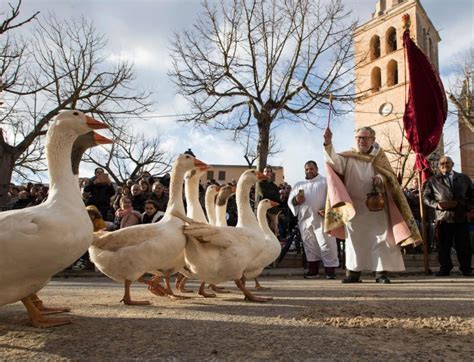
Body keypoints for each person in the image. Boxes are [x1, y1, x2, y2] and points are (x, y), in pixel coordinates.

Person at [323, 126, 420, 284]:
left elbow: (390, 178)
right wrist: (328, 143)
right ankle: (353, 273)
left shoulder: (379, 157)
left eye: (365, 138)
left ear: (372, 140)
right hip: (354, 208)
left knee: (381, 239)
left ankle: (381, 273)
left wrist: (381, 179)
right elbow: (334, 163)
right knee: (354, 240)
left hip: (377, 207)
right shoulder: (348, 157)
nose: (361, 141)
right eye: (359, 138)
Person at [288, 161, 339, 279]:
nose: (309, 171)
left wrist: (328, 210)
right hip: (305, 219)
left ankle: (330, 271)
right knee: (310, 246)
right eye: (306, 169)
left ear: (316, 169)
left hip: (322, 219)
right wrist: (296, 200)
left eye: (311, 169)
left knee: (327, 244)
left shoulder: (325, 182)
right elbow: (290, 201)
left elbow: (333, 197)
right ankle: (313, 271)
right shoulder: (298, 185)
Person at [423, 156, 473, 276]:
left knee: (464, 245)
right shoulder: (433, 180)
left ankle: (466, 268)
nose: (444, 165)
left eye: (447, 162)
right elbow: (426, 198)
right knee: (443, 245)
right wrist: (436, 205)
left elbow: (472, 195)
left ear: (452, 164)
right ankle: (445, 268)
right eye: (442, 163)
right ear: (439, 166)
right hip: (443, 218)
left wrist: (466, 206)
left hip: (460, 216)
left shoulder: (464, 178)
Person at [257, 166, 281, 235]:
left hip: (273, 211)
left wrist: (271, 195)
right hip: (263, 211)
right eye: (265, 171)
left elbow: (278, 198)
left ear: (271, 173)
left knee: (273, 231)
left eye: (268, 171)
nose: (267, 172)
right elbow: (264, 194)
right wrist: (273, 195)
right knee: (263, 230)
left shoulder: (274, 186)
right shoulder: (259, 184)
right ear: (263, 173)